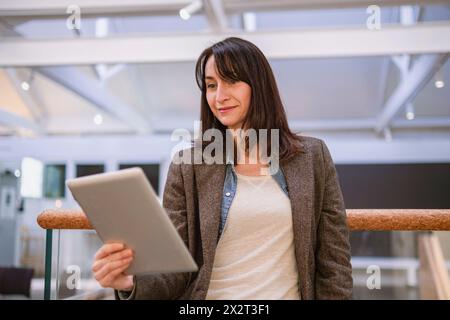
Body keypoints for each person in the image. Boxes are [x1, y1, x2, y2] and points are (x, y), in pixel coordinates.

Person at [91, 37, 353, 300]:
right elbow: (174, 270)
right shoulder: (189, 166)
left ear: (258, 85)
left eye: (231, 81)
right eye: (211, 85)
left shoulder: (311, 157)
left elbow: (334, 263)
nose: (219, 97)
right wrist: (129, 283)